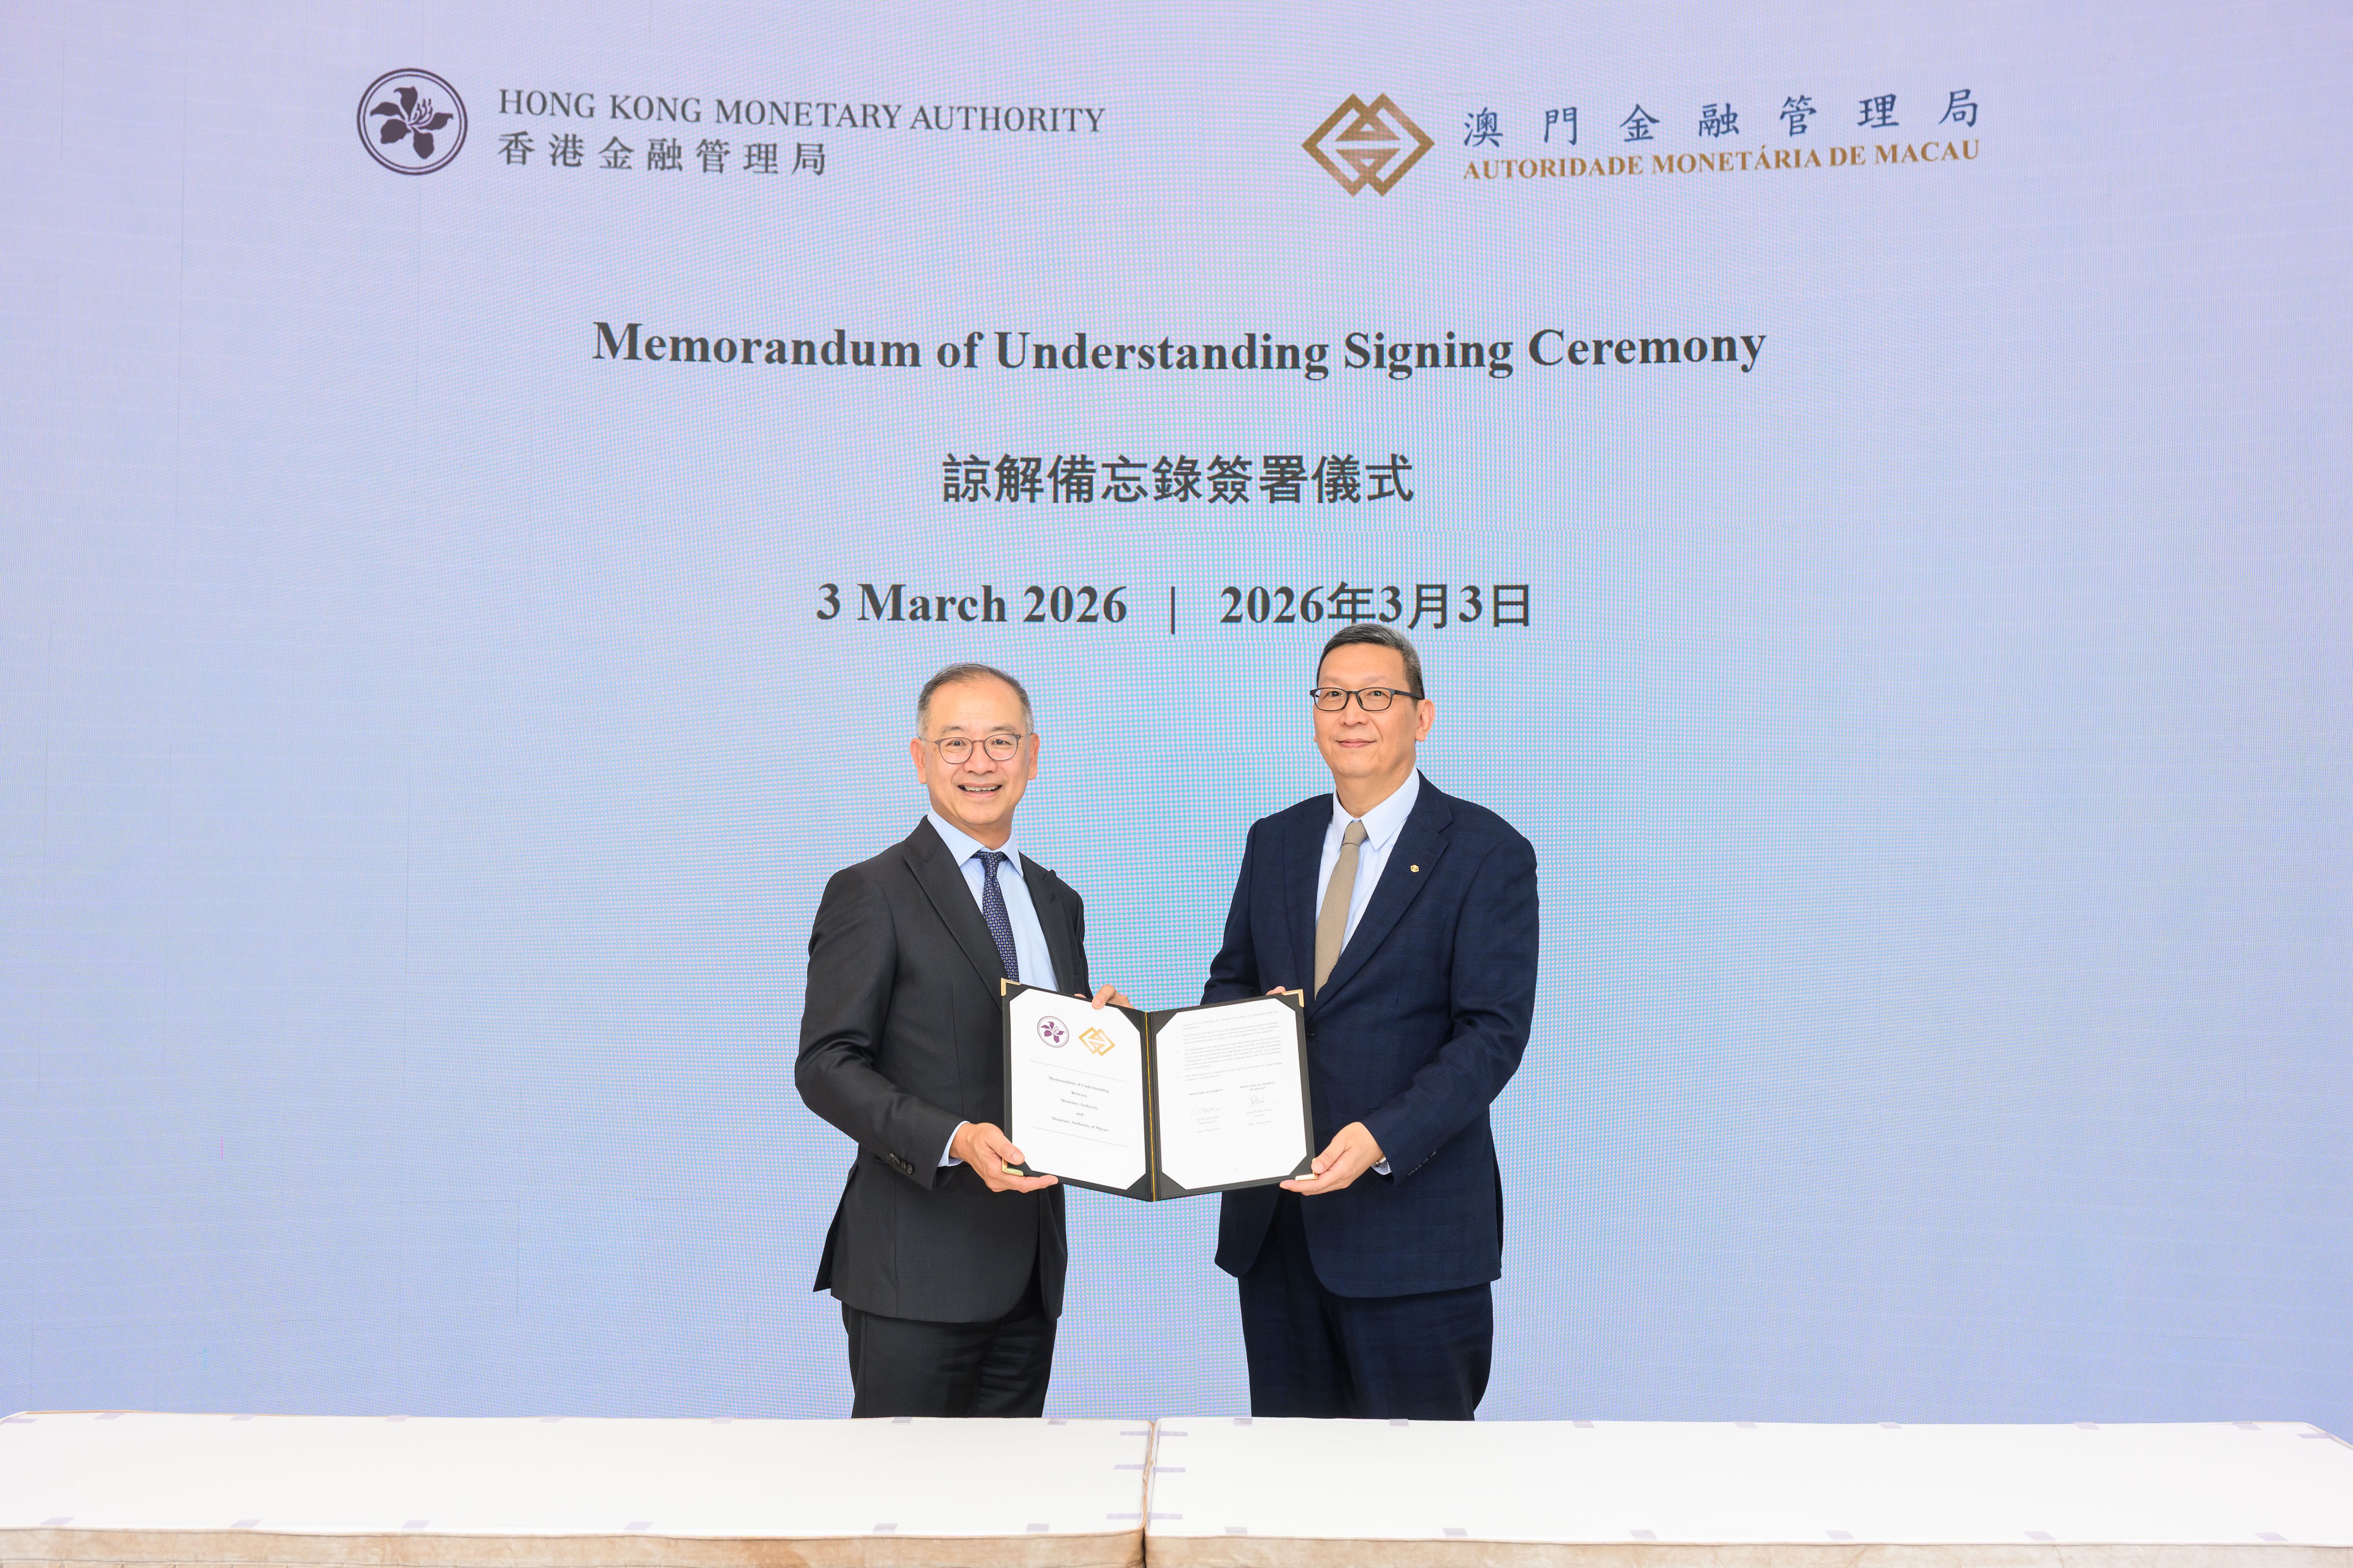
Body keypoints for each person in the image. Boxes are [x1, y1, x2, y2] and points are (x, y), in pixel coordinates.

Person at [1201, 623, 1538, 1420]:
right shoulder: (1275, 839)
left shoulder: (1487, 852)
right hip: (1277, 1231)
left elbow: (1491, 1033)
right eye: (1332, 695)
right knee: (1292, 1501)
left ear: (1421, 718)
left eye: (1377, 695)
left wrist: (1381, 1136)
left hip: (1413, 1239)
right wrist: (1167, 1061)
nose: (1352, 712)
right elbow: (1235, 984)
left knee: (1416, 1505)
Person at [797, 663, 1125, 1417]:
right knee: (905, 1516)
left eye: (1001, 742)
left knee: (1005, 1518)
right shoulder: (870, 890)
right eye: (956, 743)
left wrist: (1107, 1039)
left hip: (1030, 1272)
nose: (980, 763)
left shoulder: (1055, 898)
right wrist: (954, 1137)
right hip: (915, 1271)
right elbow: (826, 1064)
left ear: (1033, 756)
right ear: (919, 758)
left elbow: (1044, 1047)